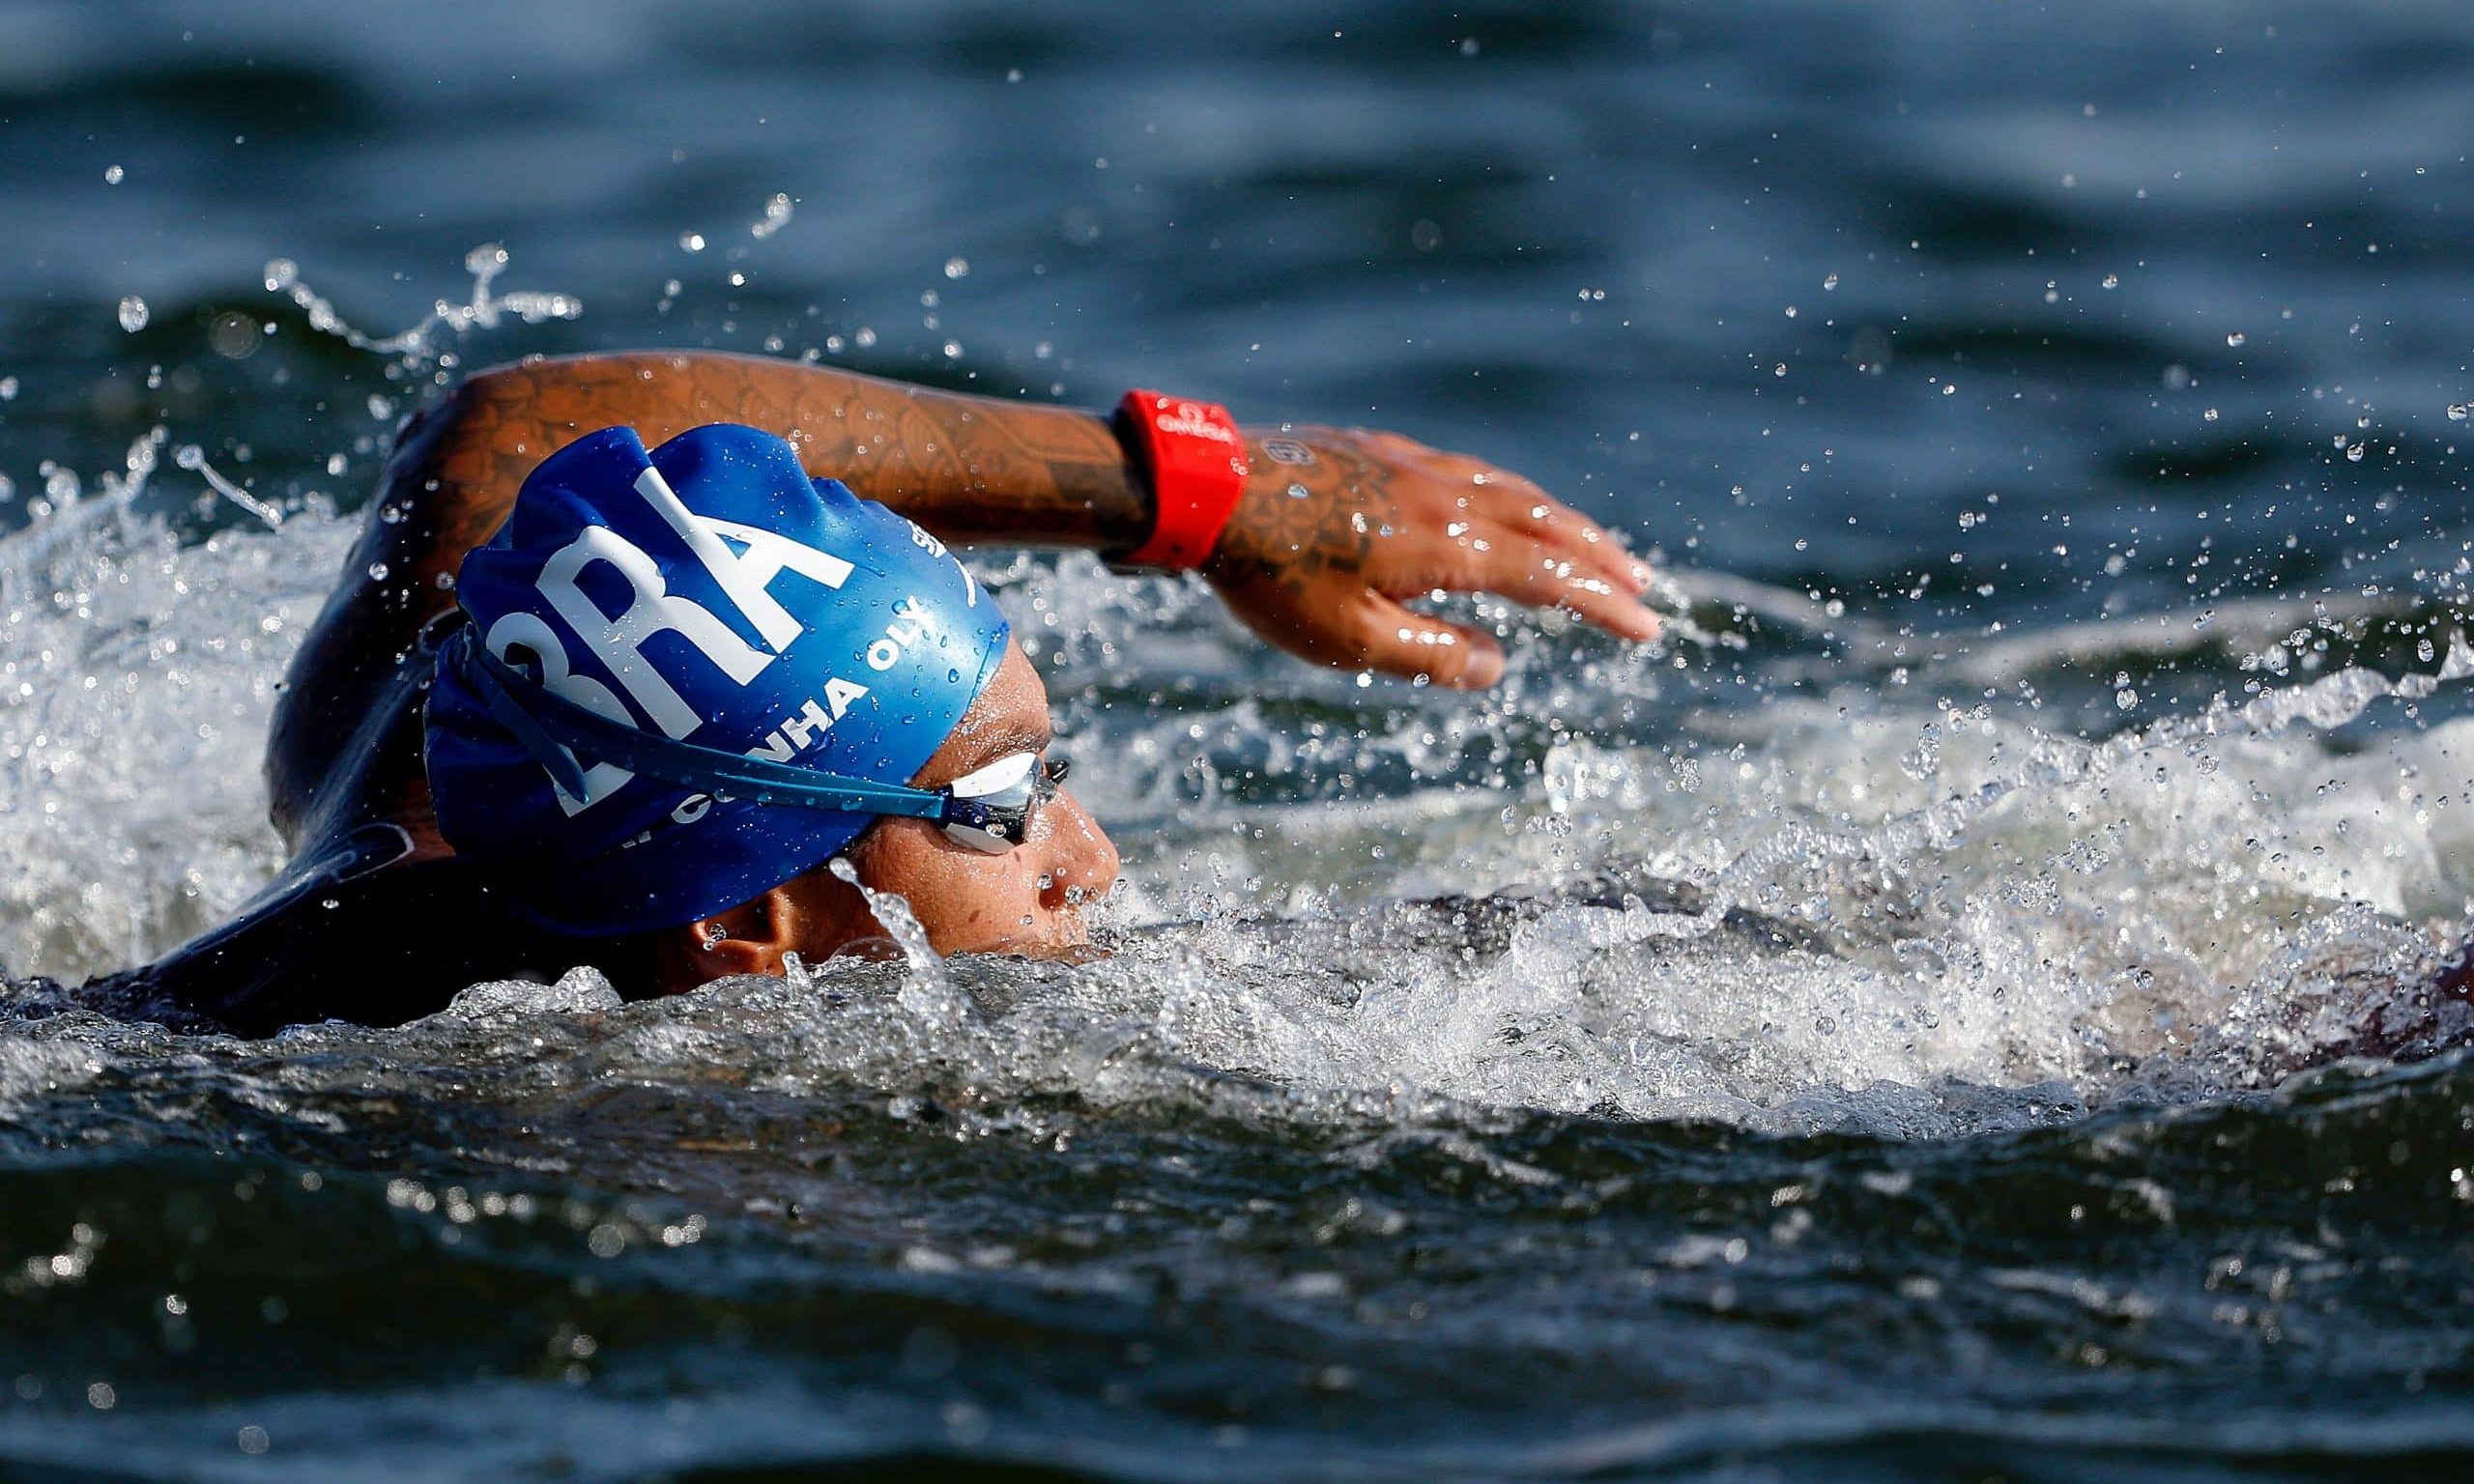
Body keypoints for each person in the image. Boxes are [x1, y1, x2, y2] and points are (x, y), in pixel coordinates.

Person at [76, 353, 1661, 1037]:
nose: (1094, 861)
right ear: (746, 927)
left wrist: (1208, 492)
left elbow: (503, 434)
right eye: (1004, 805)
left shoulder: (455, 741)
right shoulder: (392, 1097)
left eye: (1053, 773)